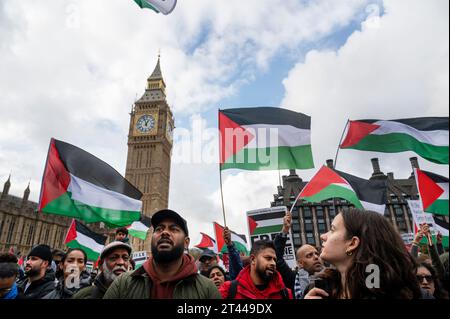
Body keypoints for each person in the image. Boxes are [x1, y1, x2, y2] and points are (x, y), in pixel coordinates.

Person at [304, 208, 423, 299]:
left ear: (352, 243)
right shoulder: (317, 290)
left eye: (332, 229)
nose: (323, 236)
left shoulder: (407, 294)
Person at [104, 209, 221, 299]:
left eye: (174, 229)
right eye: (159, 229)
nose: (165, 232)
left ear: (186, 243)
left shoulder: (207, 289)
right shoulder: (123, 283)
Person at [219, 240, 292, 299]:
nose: (273, 263)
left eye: (274, 260)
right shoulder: (229, 290)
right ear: (253, 259)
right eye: (268, 258)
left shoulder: (285, 294)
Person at [274, 211, 323, 298]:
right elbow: (277, 257)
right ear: (300, 263)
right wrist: (285, 230)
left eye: (317, 254)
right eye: (309, 255)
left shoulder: (332, 277)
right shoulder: (292, 279)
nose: (316, 257)